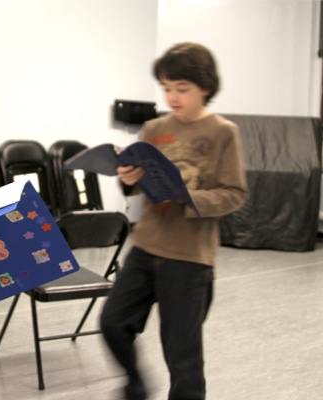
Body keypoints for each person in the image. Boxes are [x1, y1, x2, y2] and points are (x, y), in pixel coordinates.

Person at [100, 42, 249, 400]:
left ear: (205, 88)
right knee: (113, 323)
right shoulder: (154, 127)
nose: (173, 97)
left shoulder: (222, 132)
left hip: (189, 257)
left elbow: (235, 193)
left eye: (182, 89)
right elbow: (135, 183)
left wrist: (187, 198)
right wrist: (128, 178)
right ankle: (135, 383)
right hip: (146, 246)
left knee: (182, 356)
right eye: (166, 88)